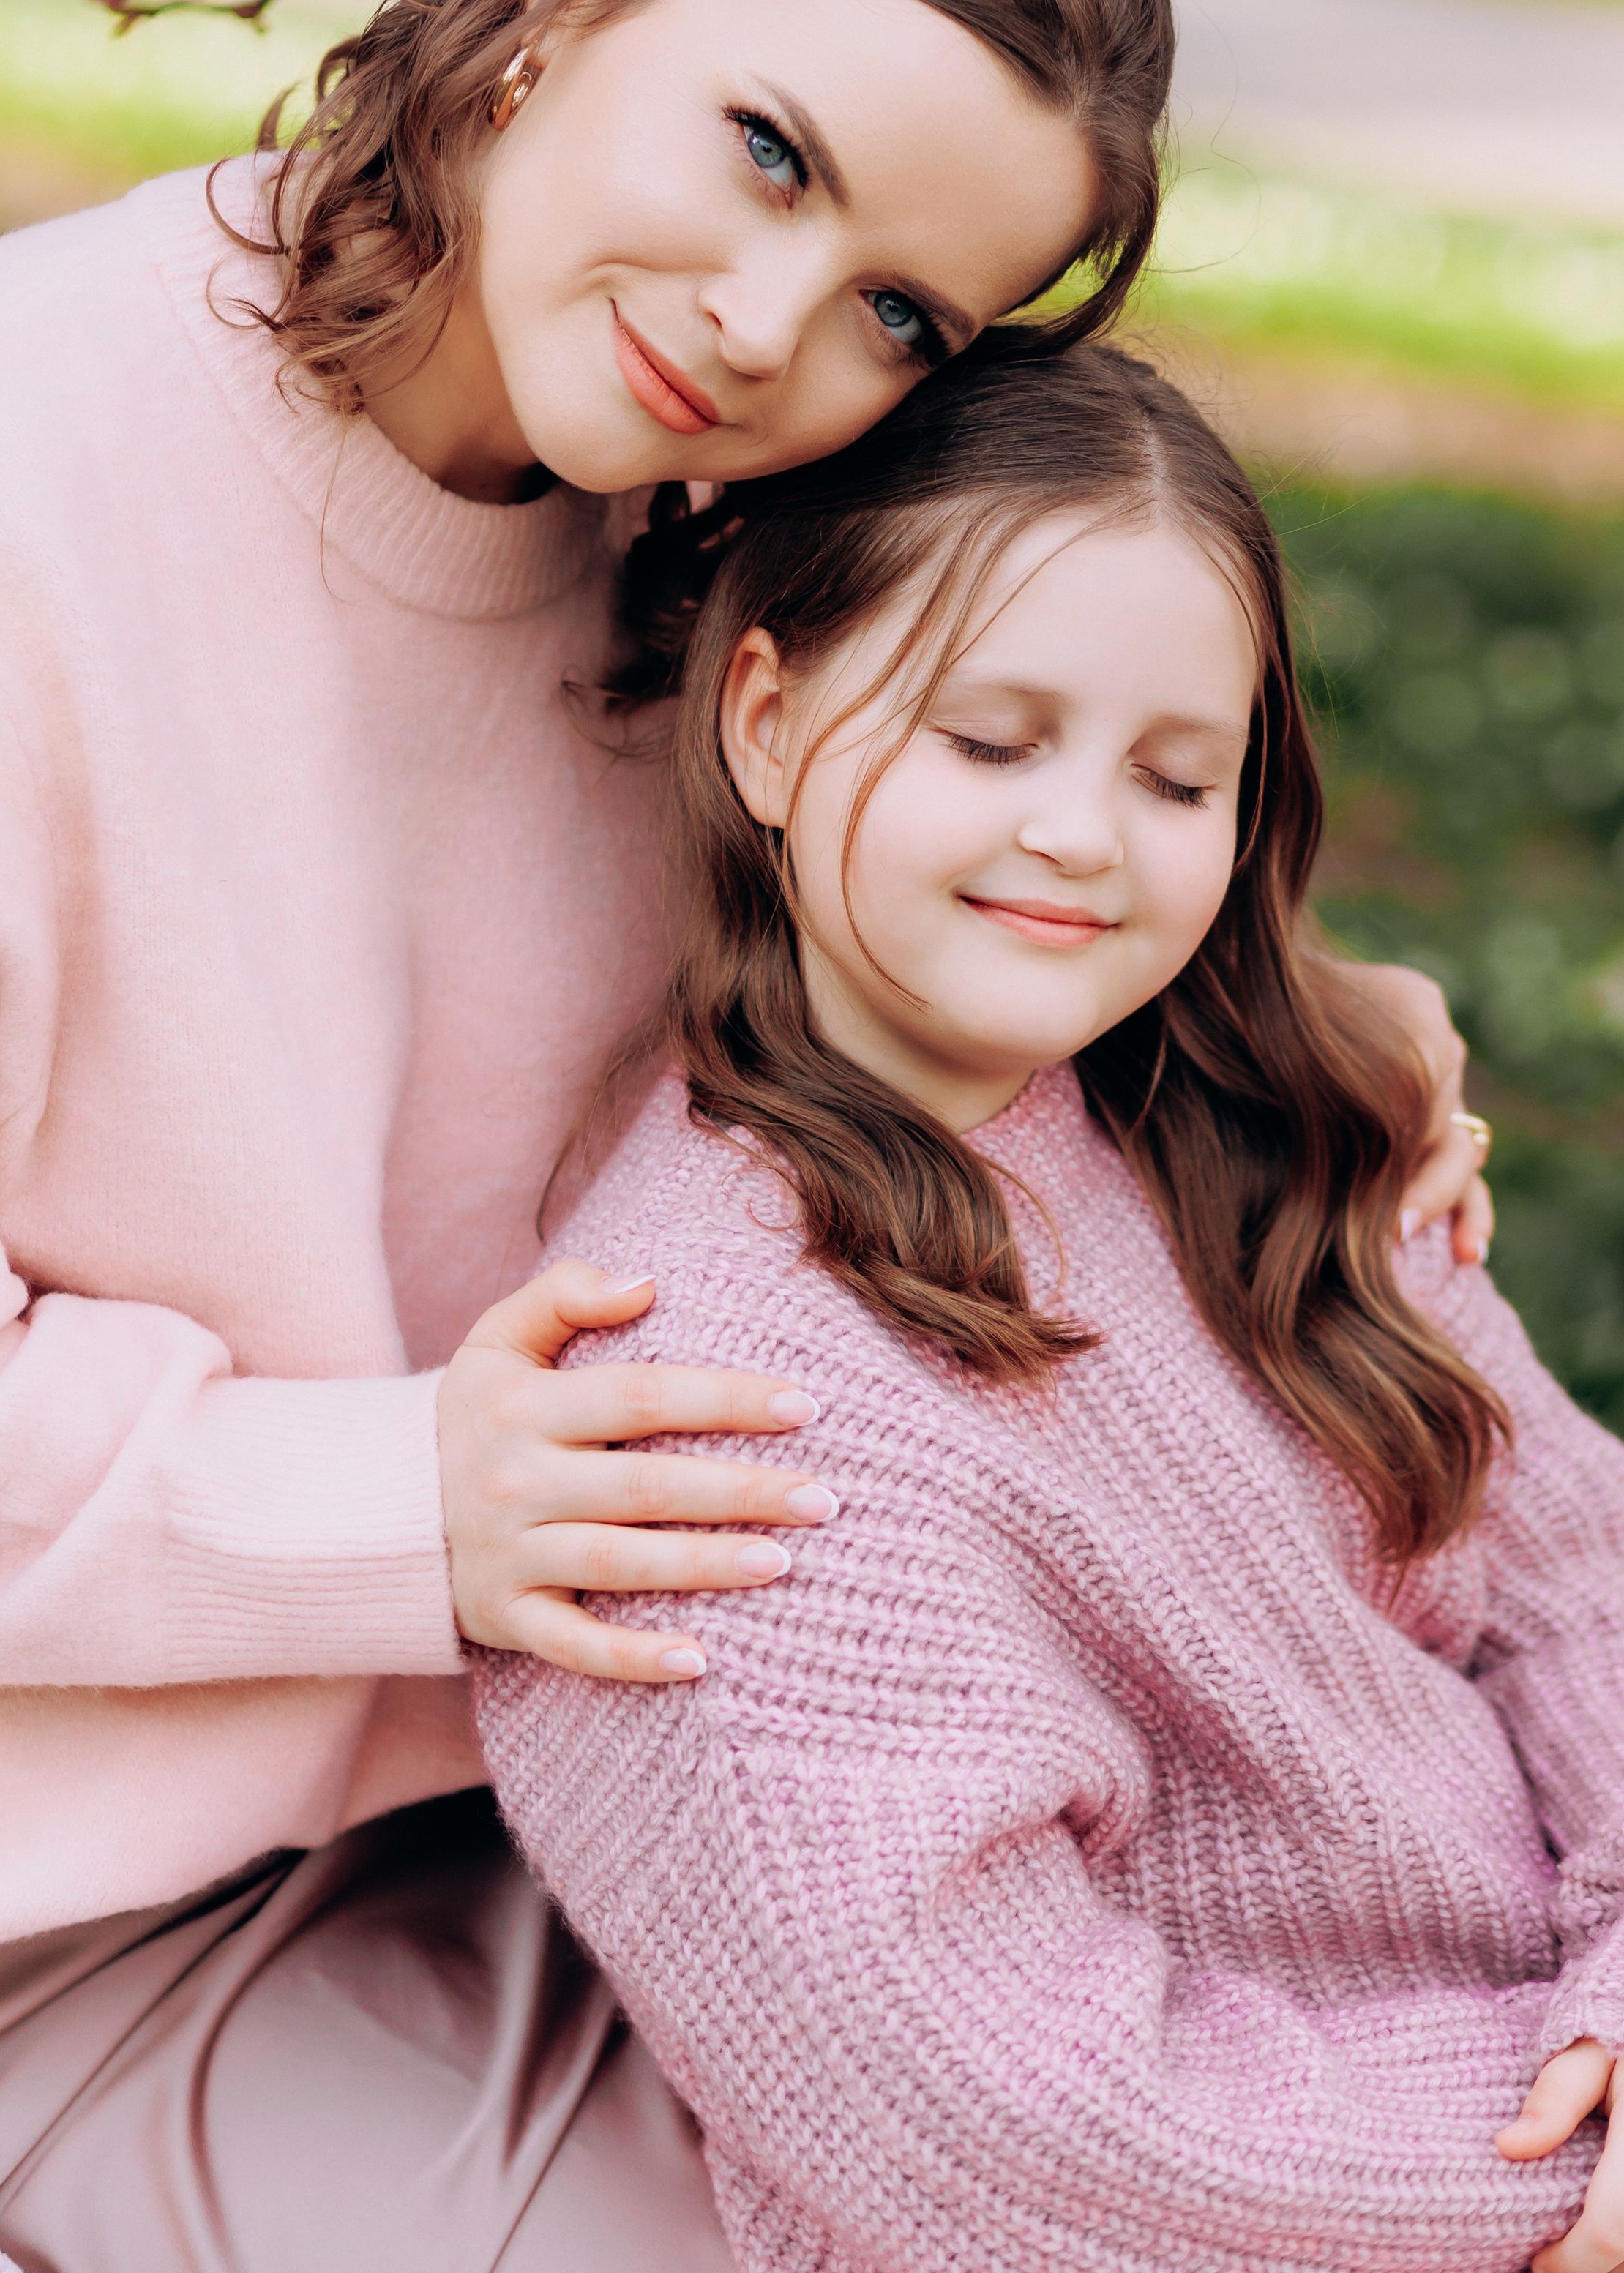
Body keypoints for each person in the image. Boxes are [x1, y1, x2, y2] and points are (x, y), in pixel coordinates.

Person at [0, 0, 1483, 2271]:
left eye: (900, 311)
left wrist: (1287, 1022)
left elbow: (938, 809)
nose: (771, 320)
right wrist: (386, 1507)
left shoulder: (695, 556)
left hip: (568, 1810)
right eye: (764, 150)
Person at [476, 339, 1623, 2273]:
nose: (1086, 833)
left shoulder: (1255, 1130)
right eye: (990, 740)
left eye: (1176, 774)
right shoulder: (711, 1401)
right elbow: (1006, 2124)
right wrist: (1550, 2154)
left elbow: (1577, 1577)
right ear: (767, 719)